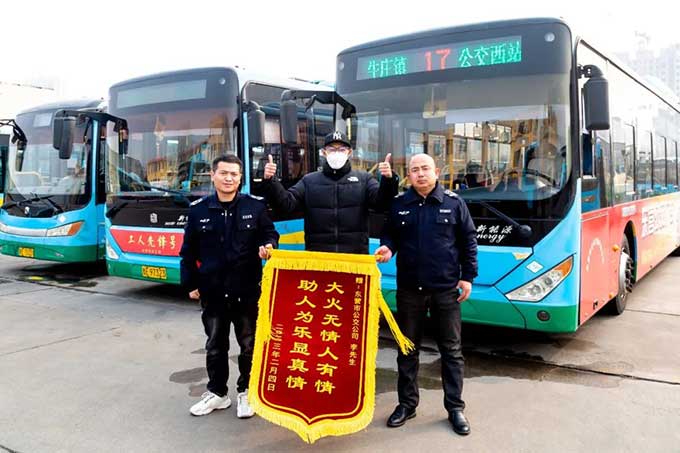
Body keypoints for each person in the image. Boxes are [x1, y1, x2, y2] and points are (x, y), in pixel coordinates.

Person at [374, 153, 478, 435]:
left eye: (425, 169)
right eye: (414, 170)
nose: (420, 174)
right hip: (410, 290)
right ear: (408, 175)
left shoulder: (454, 203)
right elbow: (389, 236)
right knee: (407, 350)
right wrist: (387, 248)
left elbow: (468, 241)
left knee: (451, 351)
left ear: (437, 172)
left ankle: (455, 408)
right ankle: (407, 404)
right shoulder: (400, 204)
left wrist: (468, 277)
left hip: (445, 290)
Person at [180, 154, 279, 418]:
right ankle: (217, 393)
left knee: (249, 344)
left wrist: (269, 246)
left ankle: (247, 391)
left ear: (240, 178)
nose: (228, 178)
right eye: (223, 173)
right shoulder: (198, 210)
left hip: (246, 290)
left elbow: (270, 234)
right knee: (215, 344)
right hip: (212, 290)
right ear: (212, 176)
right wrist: (190, 283)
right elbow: (188, 252)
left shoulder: (255, 206)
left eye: (234, 174)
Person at [261, 130, 397, 254]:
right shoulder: (309, 181)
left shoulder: (364, 179)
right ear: (324, 152)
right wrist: (271, 181)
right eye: (332, 149)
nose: (337, 153)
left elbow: (381, 205)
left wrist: (388, 180)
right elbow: (286, 204)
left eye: (342, 149)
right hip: (319, 258)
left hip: (355, 259)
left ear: (349, 152)